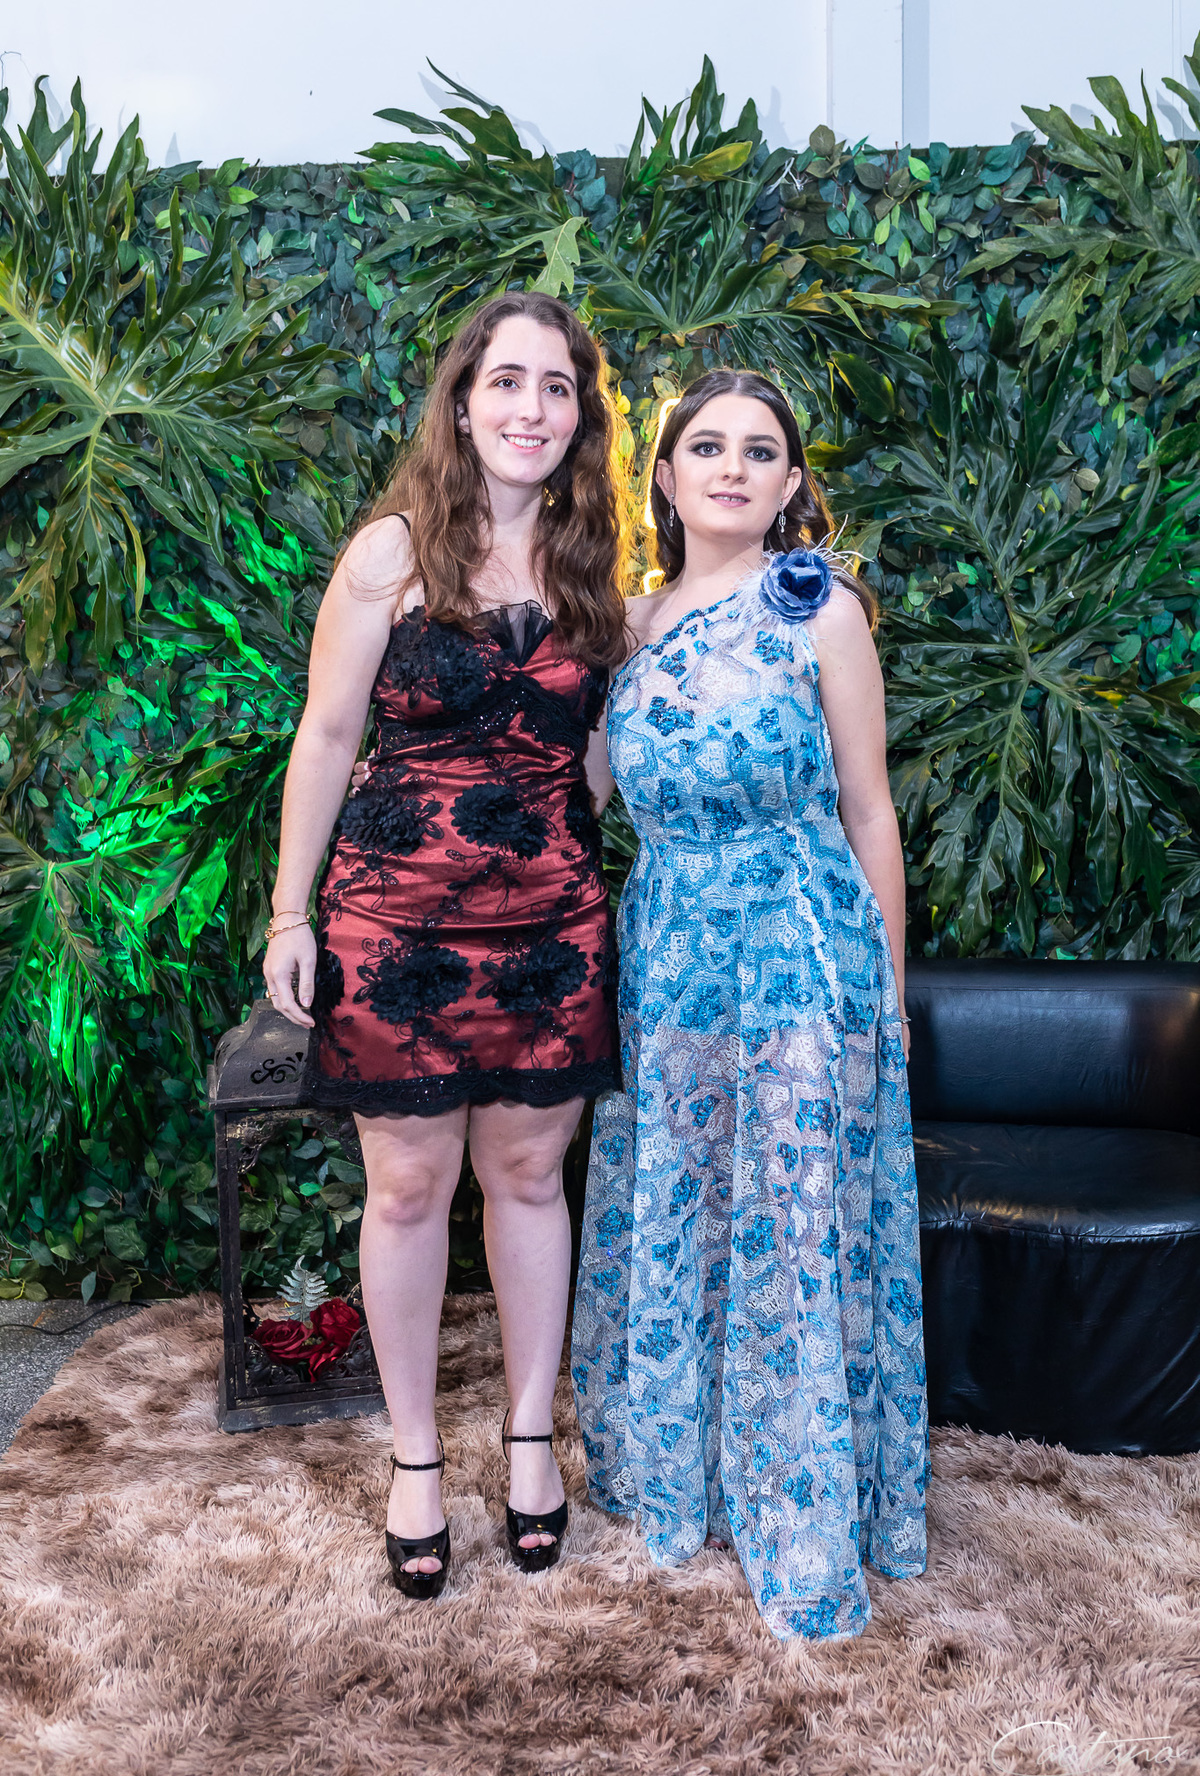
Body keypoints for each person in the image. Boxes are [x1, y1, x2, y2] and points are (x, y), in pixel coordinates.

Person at [263, 293, 628, 1599]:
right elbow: (325, 736)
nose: (532, 407)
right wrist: (290, 914)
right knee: (409, 1188)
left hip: (550, 929)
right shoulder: (390, 554)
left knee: (529, 1181)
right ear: (463, 403)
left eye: (557, 387)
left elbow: (597, 762)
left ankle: (530, 1443)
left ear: (580, 417)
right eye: (507, 381)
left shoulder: (596, 573)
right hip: (392, 921)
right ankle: (416, 1458)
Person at [571, 367, 928, 1642]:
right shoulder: (621, 627)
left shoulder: (820, 609)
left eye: (760, 450)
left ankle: (801, 1511)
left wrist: (885, 993)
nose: (732, 467)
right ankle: (685, 1476)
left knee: (788, 1214)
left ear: (790, 485)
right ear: (664, 479)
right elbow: (580, 801)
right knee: (681, 1202)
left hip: (801, 948)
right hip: (668, 950)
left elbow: (870, 811)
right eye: (707, 446)